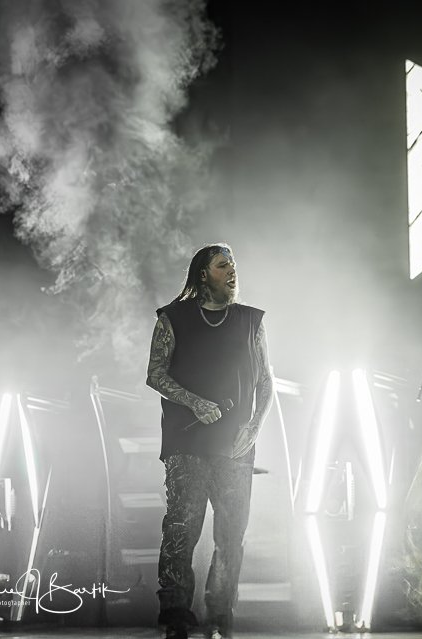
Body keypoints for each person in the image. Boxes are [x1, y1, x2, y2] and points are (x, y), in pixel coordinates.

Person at [146, 242, 274, 639]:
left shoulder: (251, 320)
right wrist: (194, 402)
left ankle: (219, 616)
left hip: (236, 445)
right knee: (181, 530)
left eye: (233, 264)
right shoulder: (173, 317)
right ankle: (175, 617)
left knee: (231, 534)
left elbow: (266, 380)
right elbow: (155, 373)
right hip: (186, 445)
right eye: (223, 265)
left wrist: (254, 427)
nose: (232, 271)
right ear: (203, 274)